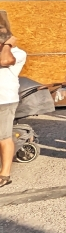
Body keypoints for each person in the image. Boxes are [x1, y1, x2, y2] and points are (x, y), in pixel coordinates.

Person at [0, 29, 27, 187]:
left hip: (4, 101)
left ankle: (5, 174)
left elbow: (4, 61)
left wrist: (8, 44)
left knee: (3, 137)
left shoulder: (18, 52)